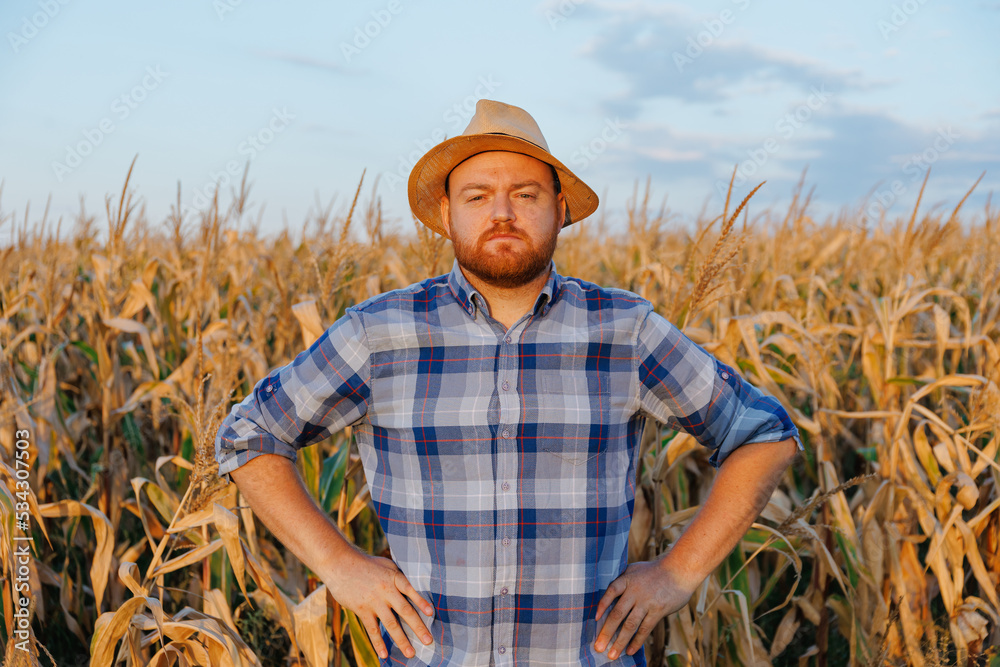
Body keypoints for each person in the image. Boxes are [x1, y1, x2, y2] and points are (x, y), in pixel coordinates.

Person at [215, 99, 802, 666]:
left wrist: (677, 574)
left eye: (526, 194)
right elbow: (250, 435)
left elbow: (764, 434)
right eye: (478, 196)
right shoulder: (379, 334)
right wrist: (340, 565)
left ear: (561, 207)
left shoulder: (625, 332)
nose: (502, 213)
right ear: (446, 214)